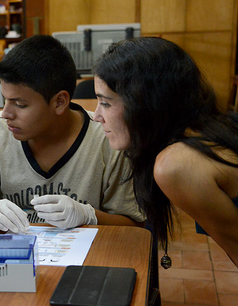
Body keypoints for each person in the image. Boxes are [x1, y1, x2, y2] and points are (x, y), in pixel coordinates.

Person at [0, 35, 145, 233]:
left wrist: (89, 216)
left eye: (20, 104)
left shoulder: (109, 138)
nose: (6, 113)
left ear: (60, 102)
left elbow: (135, 226)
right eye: (4, 99)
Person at [92, 36, 238, 267]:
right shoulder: (208, 128)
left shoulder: (176, 165)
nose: (98, 116)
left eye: (106, 103)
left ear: (146, 103)